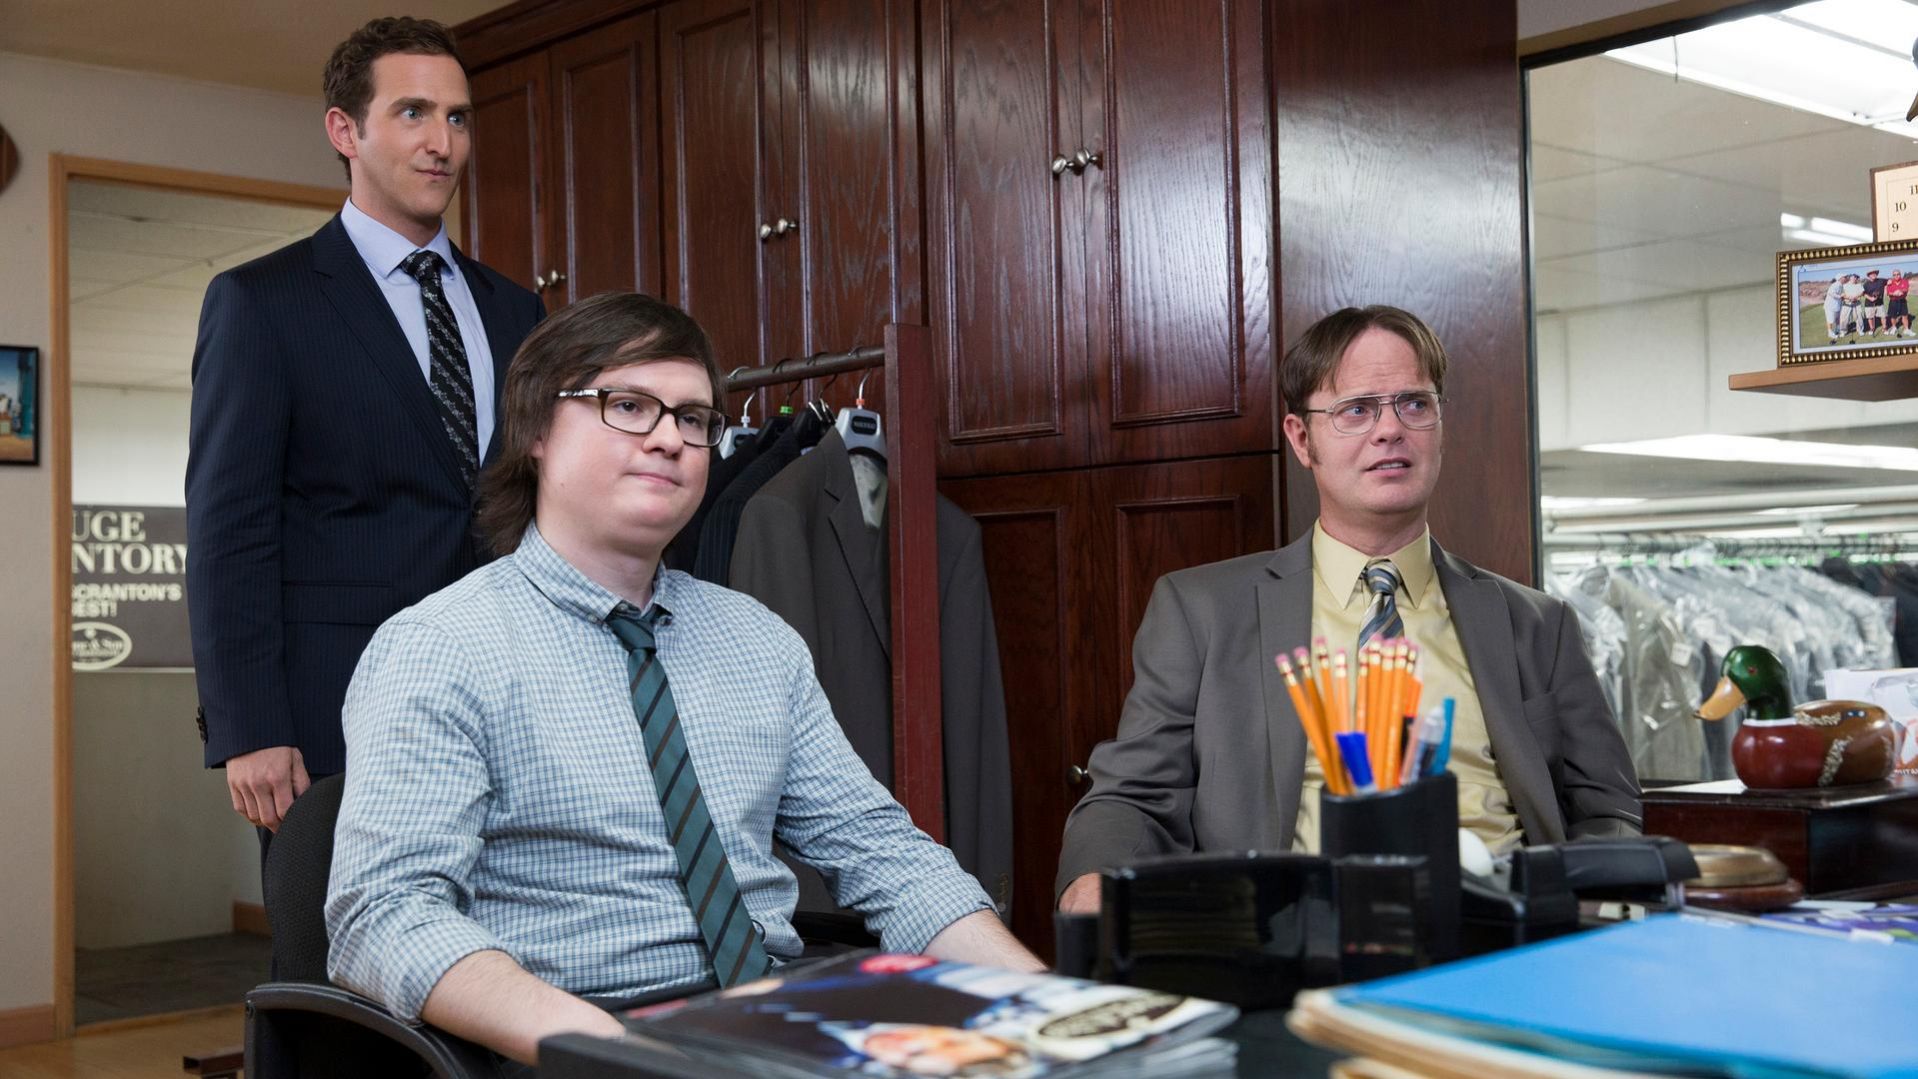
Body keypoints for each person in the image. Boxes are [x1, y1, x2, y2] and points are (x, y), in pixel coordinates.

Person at [325, 293, 1044, 1066]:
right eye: (629, 405)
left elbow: (886, 855)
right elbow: (384, 916)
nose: (670, 438)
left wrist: (1049, 1002)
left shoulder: (758, 639)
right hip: (577, 1035)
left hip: (769, 1018)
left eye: (693, 418)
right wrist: (621, 1052)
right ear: (535, 431)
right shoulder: (440, 647)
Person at [1054, 305, 1641, 914]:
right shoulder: (1201, 611)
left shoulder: (1539, 624)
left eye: (1414, 403)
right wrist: (1092, 885)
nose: (1390, 430)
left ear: (1440, 425)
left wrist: (1573, 912)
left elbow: (1608, 810)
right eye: (1356, 410)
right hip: (1294, 938)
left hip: (1500, 935)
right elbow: (1133, 796)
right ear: (1301, 439)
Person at [186, 17, 542, 835]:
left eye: (457, 118)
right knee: (337, 923)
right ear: (345, 131)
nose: (442, 143)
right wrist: (251, 725)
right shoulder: (261, 303)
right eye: (413, 113)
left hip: (508, 703)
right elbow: (230, 528)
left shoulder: (516, 309)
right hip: (334, 713)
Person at [1861, 270, 1888, 337]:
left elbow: (1890, 282)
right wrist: (1870, 298)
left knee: (1883, 316)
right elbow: (1863, 293)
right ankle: (1872, 328)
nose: (1874, 274)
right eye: (1871, 274)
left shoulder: (1881, 280)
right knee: (1870, 317)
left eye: (1875, 273)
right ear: (1869, 276)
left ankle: (1884, 328)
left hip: (1880, 303)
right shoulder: (1866, 284)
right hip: (1869, 304)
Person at [1888, 270, 1912, 338]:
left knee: (1905, 316)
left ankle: (1906, 329)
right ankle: (1894, 327)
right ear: (1893, 276)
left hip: (1902, 301)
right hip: (1893, 301)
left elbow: (1906, 289)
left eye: (1898, 274)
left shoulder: (1904, 281)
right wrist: (1894, 293)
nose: (1896, 276)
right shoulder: (1890, 282)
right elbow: (1889, 293)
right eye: (1894, 275)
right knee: (1893, 316)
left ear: (1900, 274)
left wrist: (1900, 290)